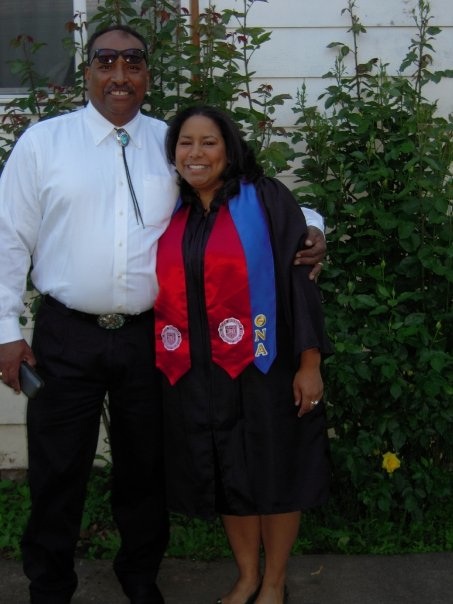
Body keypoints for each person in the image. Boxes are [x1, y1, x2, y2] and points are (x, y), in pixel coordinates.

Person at [0, 25, 326, 604]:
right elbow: (6, 242)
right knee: (56, 470)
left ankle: (140, 577)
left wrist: (314, 225)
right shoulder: (43, 143)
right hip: (65, 333)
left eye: (133, 63)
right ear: (88, 73)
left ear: (147, 74)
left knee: (144, 468)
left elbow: (242, 189)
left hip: (149, 338)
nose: (119, 75)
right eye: (106, 62)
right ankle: (49, 585)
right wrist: (4, 332)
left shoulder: (168, 142)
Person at [154, 106, 332, 604]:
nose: (196, 153)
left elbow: (300, 282)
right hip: (201, 371)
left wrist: (309, 363)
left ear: (229, 148)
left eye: (208, 142)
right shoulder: (174, 212)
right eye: (185, 143)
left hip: (265, 363)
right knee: (227, 472)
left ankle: (274, 582)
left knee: (275, 473)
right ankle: (247, 575)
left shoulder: (267, 199)